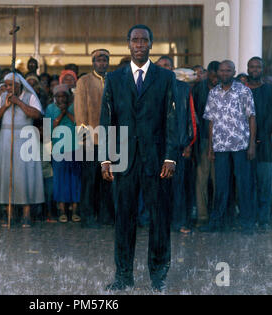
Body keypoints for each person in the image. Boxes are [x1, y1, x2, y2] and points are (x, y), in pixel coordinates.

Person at [100, 25, 178, 292]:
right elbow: (107, 121)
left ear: (151, 45)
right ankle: (123, 276)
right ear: (128, 44)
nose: (140, 44)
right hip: (123, 159)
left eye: (145, 40)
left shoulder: (166, 78)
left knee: (159, 218)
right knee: (124, 219)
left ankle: (158, 276)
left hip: (156, 160)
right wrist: (106, 159)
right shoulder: (114, 78)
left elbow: (171, 118)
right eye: (135, 40)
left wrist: (170, 157)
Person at [201, 60, 256, 234]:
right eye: (222, 71)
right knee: (221, 185)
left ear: (234, 72)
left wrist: (252, 144)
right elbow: (210, 121)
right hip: (220, 146)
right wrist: (210, 147)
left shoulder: (244, 91)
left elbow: (251, 117)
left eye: (228, 70)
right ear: (218, 72)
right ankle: (217, 222)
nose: (224, 73)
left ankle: (247, 223)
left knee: (243, 184)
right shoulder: (213, 93)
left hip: (240, 145)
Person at [0, 72, 44, 228]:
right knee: (7, 174)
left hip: (25, 138)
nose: (8, 88)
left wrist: (19, 102)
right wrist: (6, 105)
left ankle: (26, 214)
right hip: (6, 137)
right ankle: (9, 213)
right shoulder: (3, 97)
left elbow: (36, 114)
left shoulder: (29, 96)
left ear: (19, 84)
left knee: (25, 175)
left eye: (11, 85)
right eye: (6, 85)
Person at [156, 56, 197, 234]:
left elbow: (191, 118)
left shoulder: (183, 88)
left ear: (173, 68)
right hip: (156, 146)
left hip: (178, 147)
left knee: (178, 187)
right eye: (161, 66)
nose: (165, 68)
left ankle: (179, 222)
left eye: (168, 65)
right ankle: (159, 223)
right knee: (158, 188)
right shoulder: (151, 88)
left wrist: (189, 143)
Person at [74, 48, 114, 227]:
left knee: (108, 180)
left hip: (111, 139)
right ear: (93, 62)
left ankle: (106, 216)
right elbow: (80, 111)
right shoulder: (84, 81)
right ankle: (88, 217)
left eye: (105, 60)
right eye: (99, 60)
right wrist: (83, 141)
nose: (102, 63)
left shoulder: (114, 80)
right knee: (90, 180)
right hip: (91, 140)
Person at [246, 57, 272, 231]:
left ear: (263, 69)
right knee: (248, 184)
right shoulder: (242, 90)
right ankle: (250, 219)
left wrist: (258, 138)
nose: (255, 69)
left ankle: (263, 220)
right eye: (252, 67)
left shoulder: (271, 90)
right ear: (247, 69)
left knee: (264, 184)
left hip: (264, 145)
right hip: (244, 145)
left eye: (258, 66)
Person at [45, 84, 81, 223]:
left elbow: (79, 124)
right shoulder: (50, 109)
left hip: (75, 148)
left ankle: (75, 210)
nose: (61, 99)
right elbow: (50, 128)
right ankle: (62, 210)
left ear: (68, 96)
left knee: (75, 180)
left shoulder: (74, 107)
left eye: (63, 96)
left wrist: (67, 112)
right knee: (60, 181)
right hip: (58, 149)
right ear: (54, 98)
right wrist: (61, 114)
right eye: (58, 96)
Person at [192, 61, 220, 227]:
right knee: (201, 179)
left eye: (218, 76)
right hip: (202, 139)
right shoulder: (198, 88)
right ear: (208, 73)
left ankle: (216, 216)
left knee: (218, 180)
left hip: (221, 142)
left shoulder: (226, 89)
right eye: (213, 75)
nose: (215, 79)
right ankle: (202, 216)